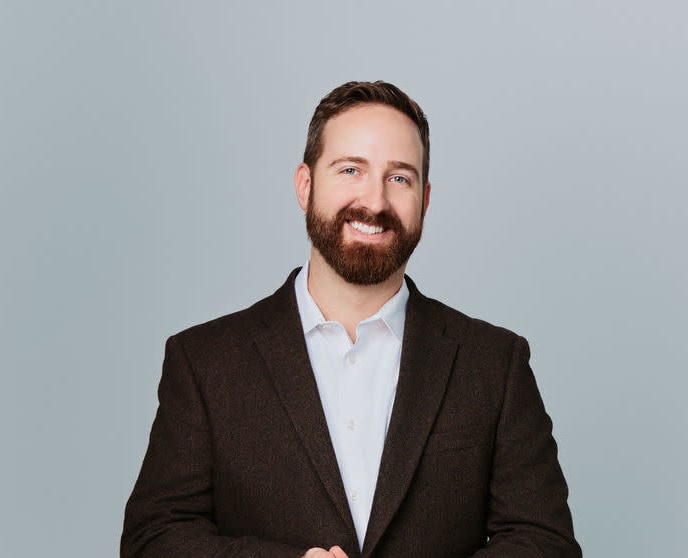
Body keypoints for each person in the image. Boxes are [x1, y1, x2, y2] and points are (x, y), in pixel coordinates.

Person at [121, 81, 581, 558]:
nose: (375, 202)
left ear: (424, 200)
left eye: (399, 178)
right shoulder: (204, 362)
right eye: (351, 170)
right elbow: (153, 539)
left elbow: (545, 543)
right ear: (306, 186)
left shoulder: (495, 364)